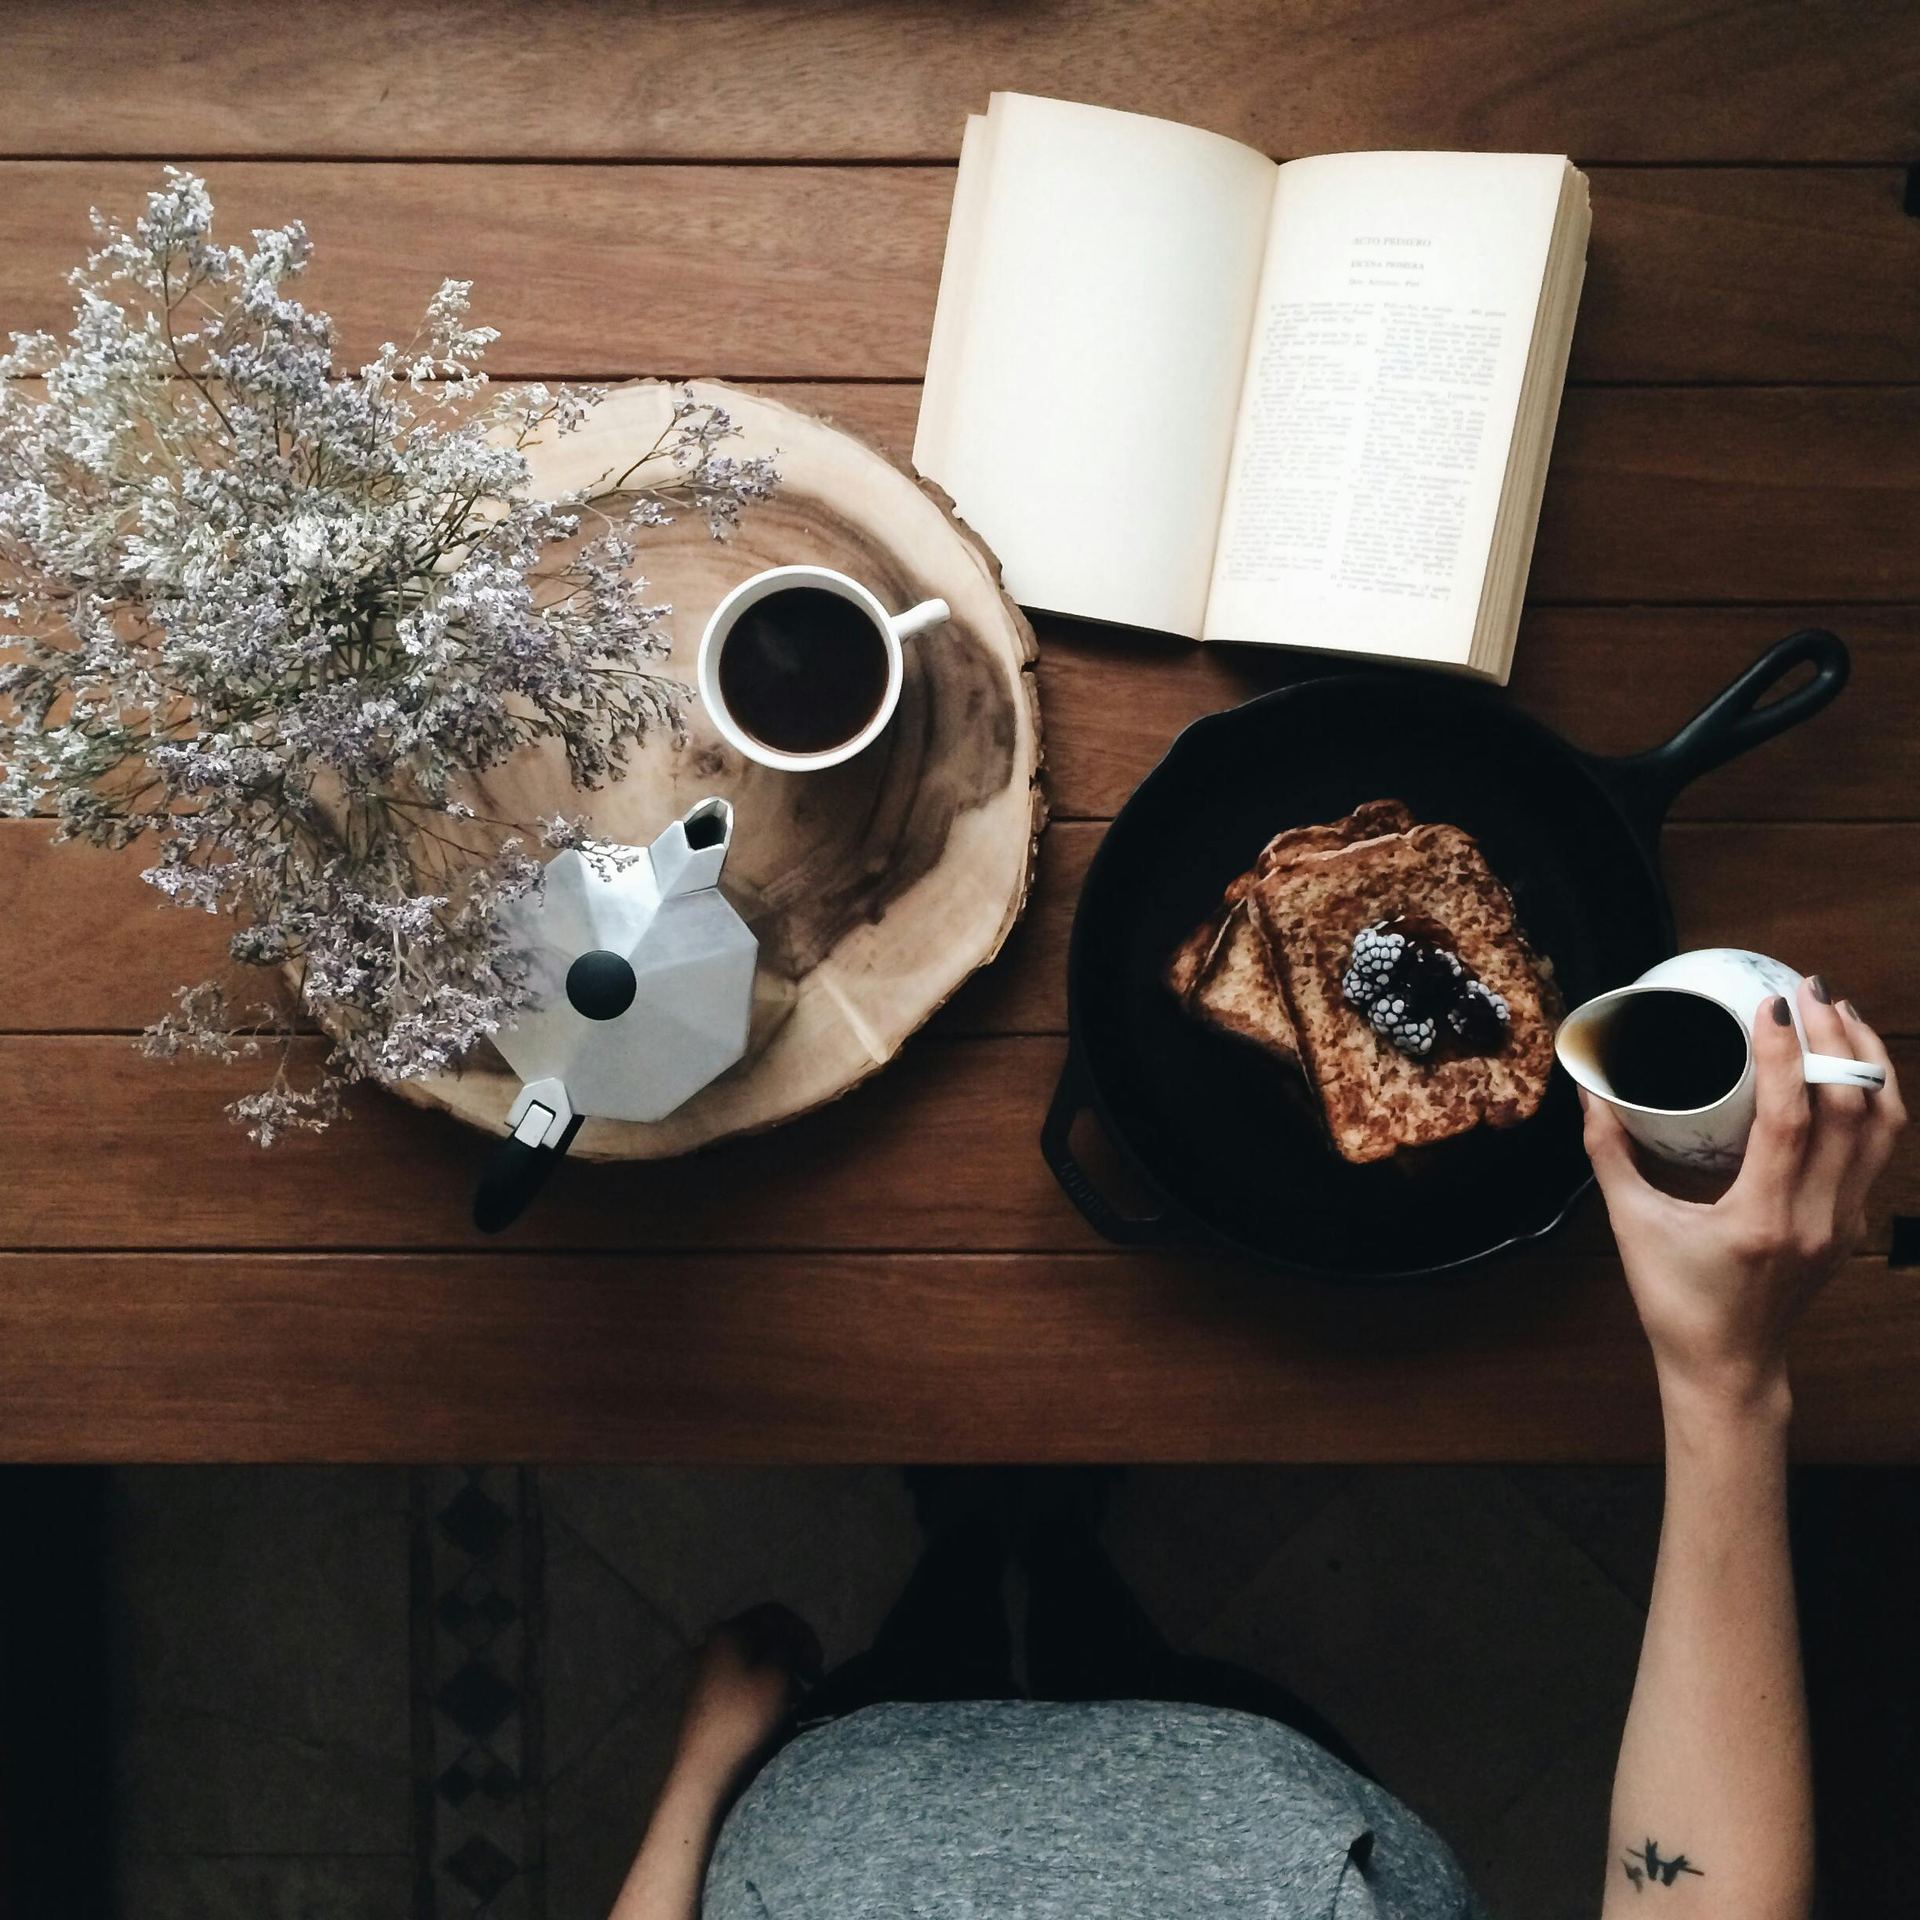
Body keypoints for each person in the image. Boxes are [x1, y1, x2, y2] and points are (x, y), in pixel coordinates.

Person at [610, 983, 1904, 1920]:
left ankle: (985, 1539)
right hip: (1258, 1806)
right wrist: (1727, 1381)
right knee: (1126, 1664)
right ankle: (1052, 1558)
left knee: (931, 1645)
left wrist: (706, 1767)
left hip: (847, 1793)